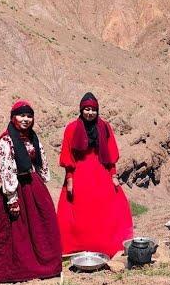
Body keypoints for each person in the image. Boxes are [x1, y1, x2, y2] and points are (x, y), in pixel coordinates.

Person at [0, 100, 62, 283]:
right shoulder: (6, 141)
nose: (26, 119)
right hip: (17, 187)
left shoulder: (32, 137)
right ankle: (18, 270)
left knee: (42, 226)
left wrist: (40, 183)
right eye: (21, 115)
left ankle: (47, 267)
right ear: (13, 118)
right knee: (17, 231)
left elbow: (40, 160)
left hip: (33, 186)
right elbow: (5, 168)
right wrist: (12, 198)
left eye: (29, 116)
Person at [56, 92, 133, 257]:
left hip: (101, 172)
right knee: (80, 211)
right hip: (80, 172)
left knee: (106, 209)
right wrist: (70, 178)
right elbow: (68, 154)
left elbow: (111, 153)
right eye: (87, 109)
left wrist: (113, 175)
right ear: (81, 110)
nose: (90, 113)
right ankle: (79, 246)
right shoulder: (72, 128)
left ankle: (103, 245)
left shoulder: (104, 127)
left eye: (93, 110)